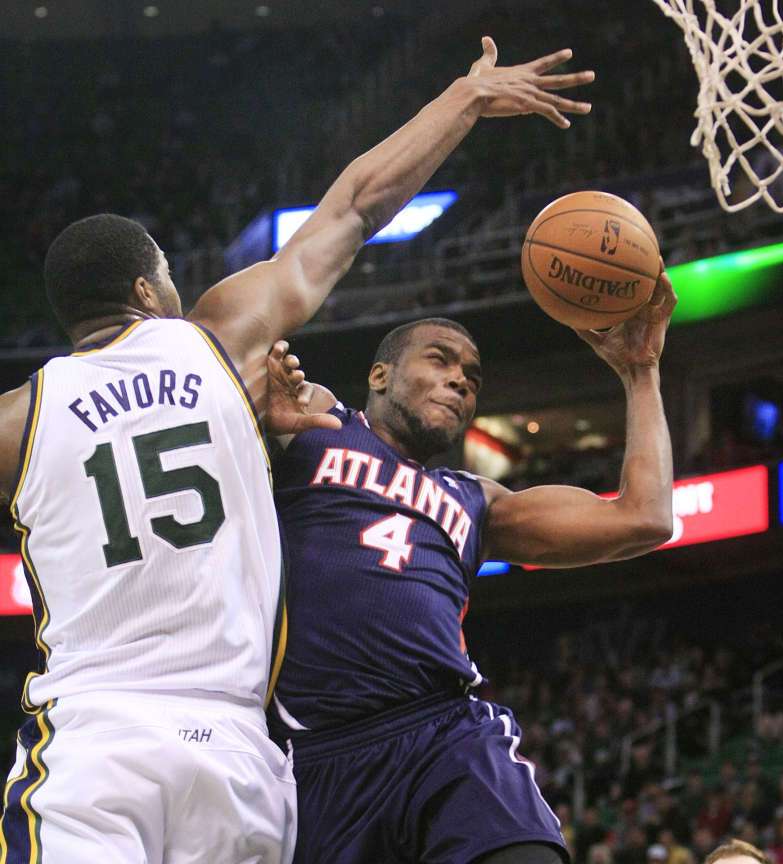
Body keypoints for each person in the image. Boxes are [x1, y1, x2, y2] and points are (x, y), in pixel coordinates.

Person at [0, 38, 594, 863]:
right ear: (148, 290)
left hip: (97, 735)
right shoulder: (218, 341)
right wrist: (465, 98)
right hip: (239, 753)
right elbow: (355, 206)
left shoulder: (19, 418)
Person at [270, 269, 677, 863]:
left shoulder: (476, 501)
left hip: (446, 733)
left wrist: (641, 372)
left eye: (472, 378)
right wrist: (259, 389)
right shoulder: (318, 425)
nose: (460, 380)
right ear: (378, 375)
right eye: (440, 360)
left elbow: (645, 519)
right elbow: (229, 358)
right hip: (316, 752)